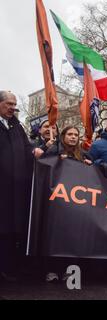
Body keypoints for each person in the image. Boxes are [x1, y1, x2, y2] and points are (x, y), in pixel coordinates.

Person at [0, 91, 35, 282]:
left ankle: (8, 267)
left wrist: (35, 151)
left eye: (14, 104)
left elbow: (27, 147)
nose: (13, 107)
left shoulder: (16, 126)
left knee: (10, 228)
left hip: (16, 188)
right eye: (9, 104)